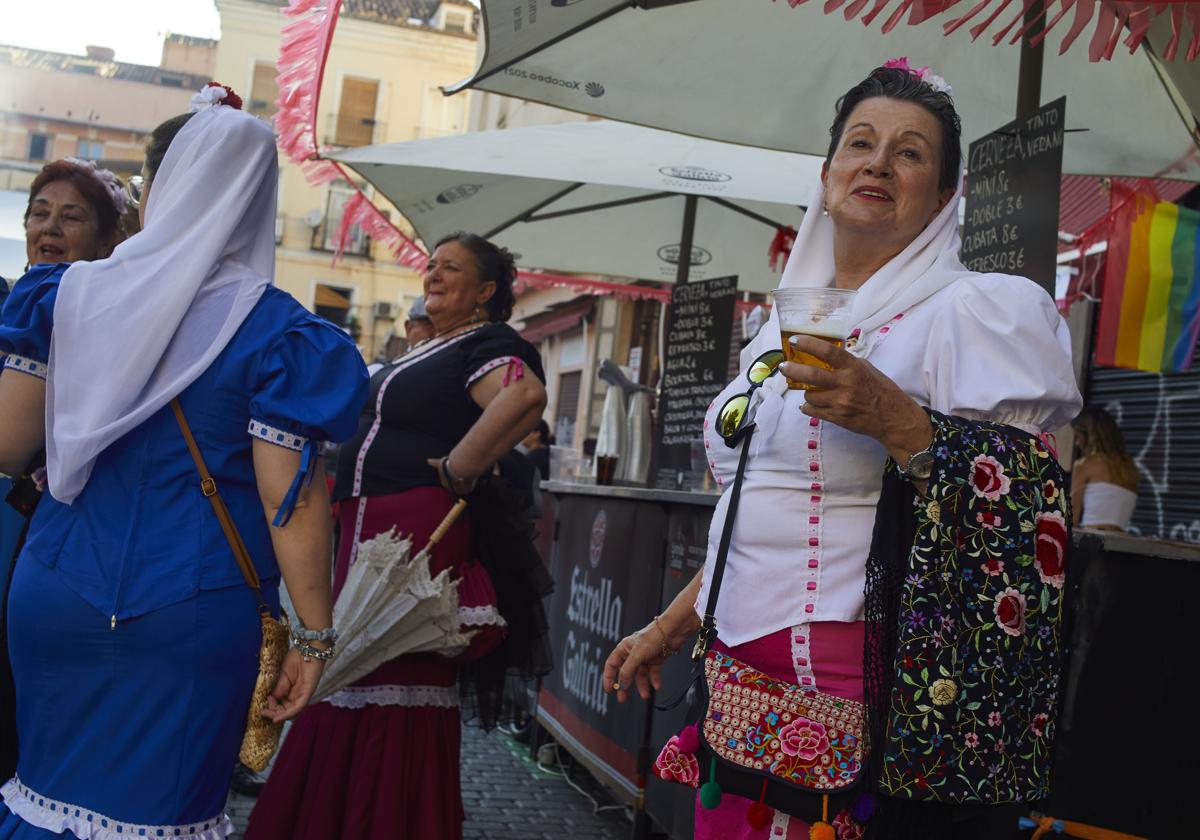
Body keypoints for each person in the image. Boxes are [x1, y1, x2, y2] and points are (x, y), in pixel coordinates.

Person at [604, 64, 1081, 840]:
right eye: (861, 143)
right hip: (733, 674)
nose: (879, 163)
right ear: (826, 176)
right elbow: (760, 501)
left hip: (854, 671)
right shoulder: (784, 324)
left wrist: (900, 421)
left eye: (910, 152)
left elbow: (1029, 506)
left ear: (944, 194)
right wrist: (672, 626)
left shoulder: (978, 309)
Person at [0, 84, 368, 838]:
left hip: (54, 590)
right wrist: (316, 637)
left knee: (42, 797)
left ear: (156, 189)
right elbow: (290, 501)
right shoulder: (280, 337)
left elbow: (7, 447)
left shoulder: (63, 298)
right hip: (193, 611)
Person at [246, 232, 548, 840]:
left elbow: (523, 395)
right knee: (342, 668)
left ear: (486, 291)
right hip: (366, 529)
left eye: (451, 268)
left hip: (417, 534)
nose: (433, 273)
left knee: (384, 668)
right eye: (430, 264)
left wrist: (462, 466)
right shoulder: (430, 348)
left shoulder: (488, 344)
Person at [0, 156, 130, 781]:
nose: (49, 227)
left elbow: (7, 447)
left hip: (36, 526)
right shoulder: (20, 299)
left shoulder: (68, 308)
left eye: (71, 216)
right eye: (39, 213)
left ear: (108, 239)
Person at [1071, 406, 1138, 531]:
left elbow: (1072, 516)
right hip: (1120, 543)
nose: (1077, 443)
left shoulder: (1084, 465)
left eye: (1078, 436)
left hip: (1092, 540)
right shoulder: (1130, 467)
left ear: (1090, 436)